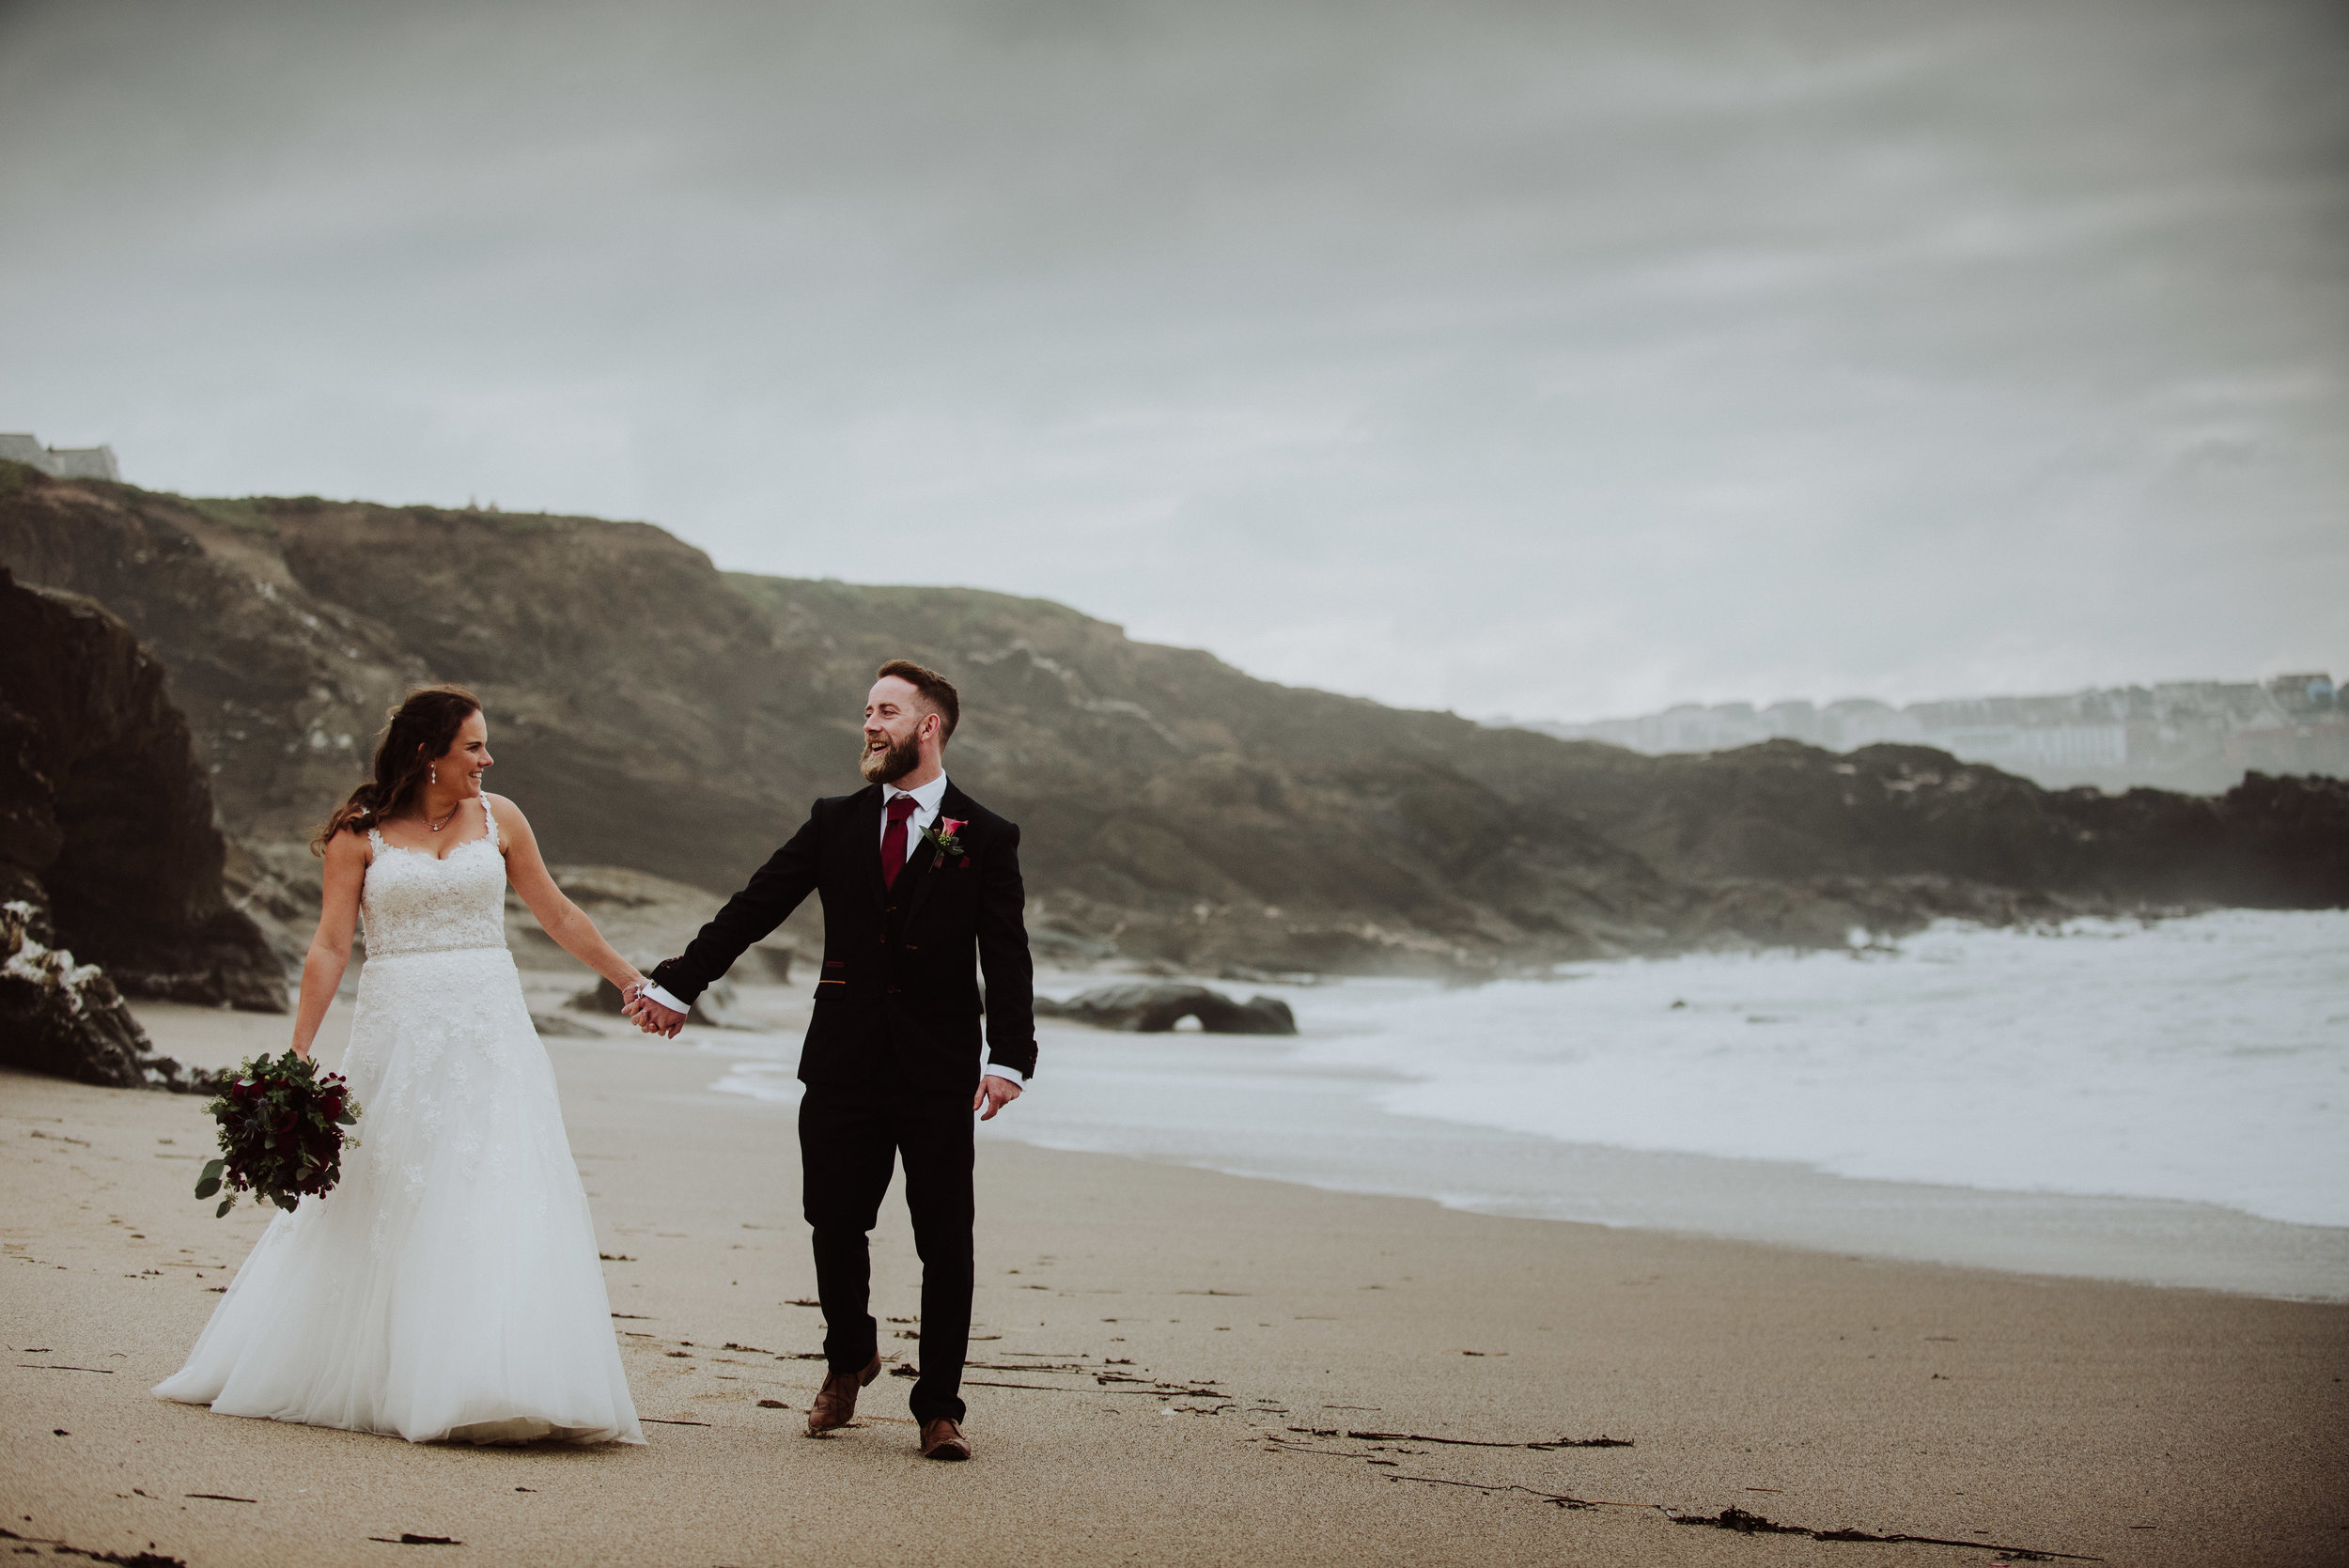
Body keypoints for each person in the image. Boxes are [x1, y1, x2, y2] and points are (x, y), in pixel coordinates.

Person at [155, 686, 646, 1446]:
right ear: (428, 755)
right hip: (398, 1032)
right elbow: (329, 945)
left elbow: (557, 913)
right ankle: (394, 1372)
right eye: (474, 746)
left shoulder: (502, 818)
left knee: (492, 1183)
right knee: (392, 1186)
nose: (488, 758)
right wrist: (297, 1053)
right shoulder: (361, 833)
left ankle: (500, 1375)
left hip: (489, 1028)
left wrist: (630, 980)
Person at [627, 659, 1035, 1462]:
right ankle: (850, 1354)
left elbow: (1008, 954)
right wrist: (679, 983)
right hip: (843, 1057)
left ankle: (938, 1408)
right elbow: (756, 904)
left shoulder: (984, 835)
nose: (869, 724)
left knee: (945, 1237)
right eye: (866, 711)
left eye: (885, 711)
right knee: (833, 1220)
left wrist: (1010, 1057)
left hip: (937, 1063)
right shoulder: (834, 820)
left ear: (929, 726)